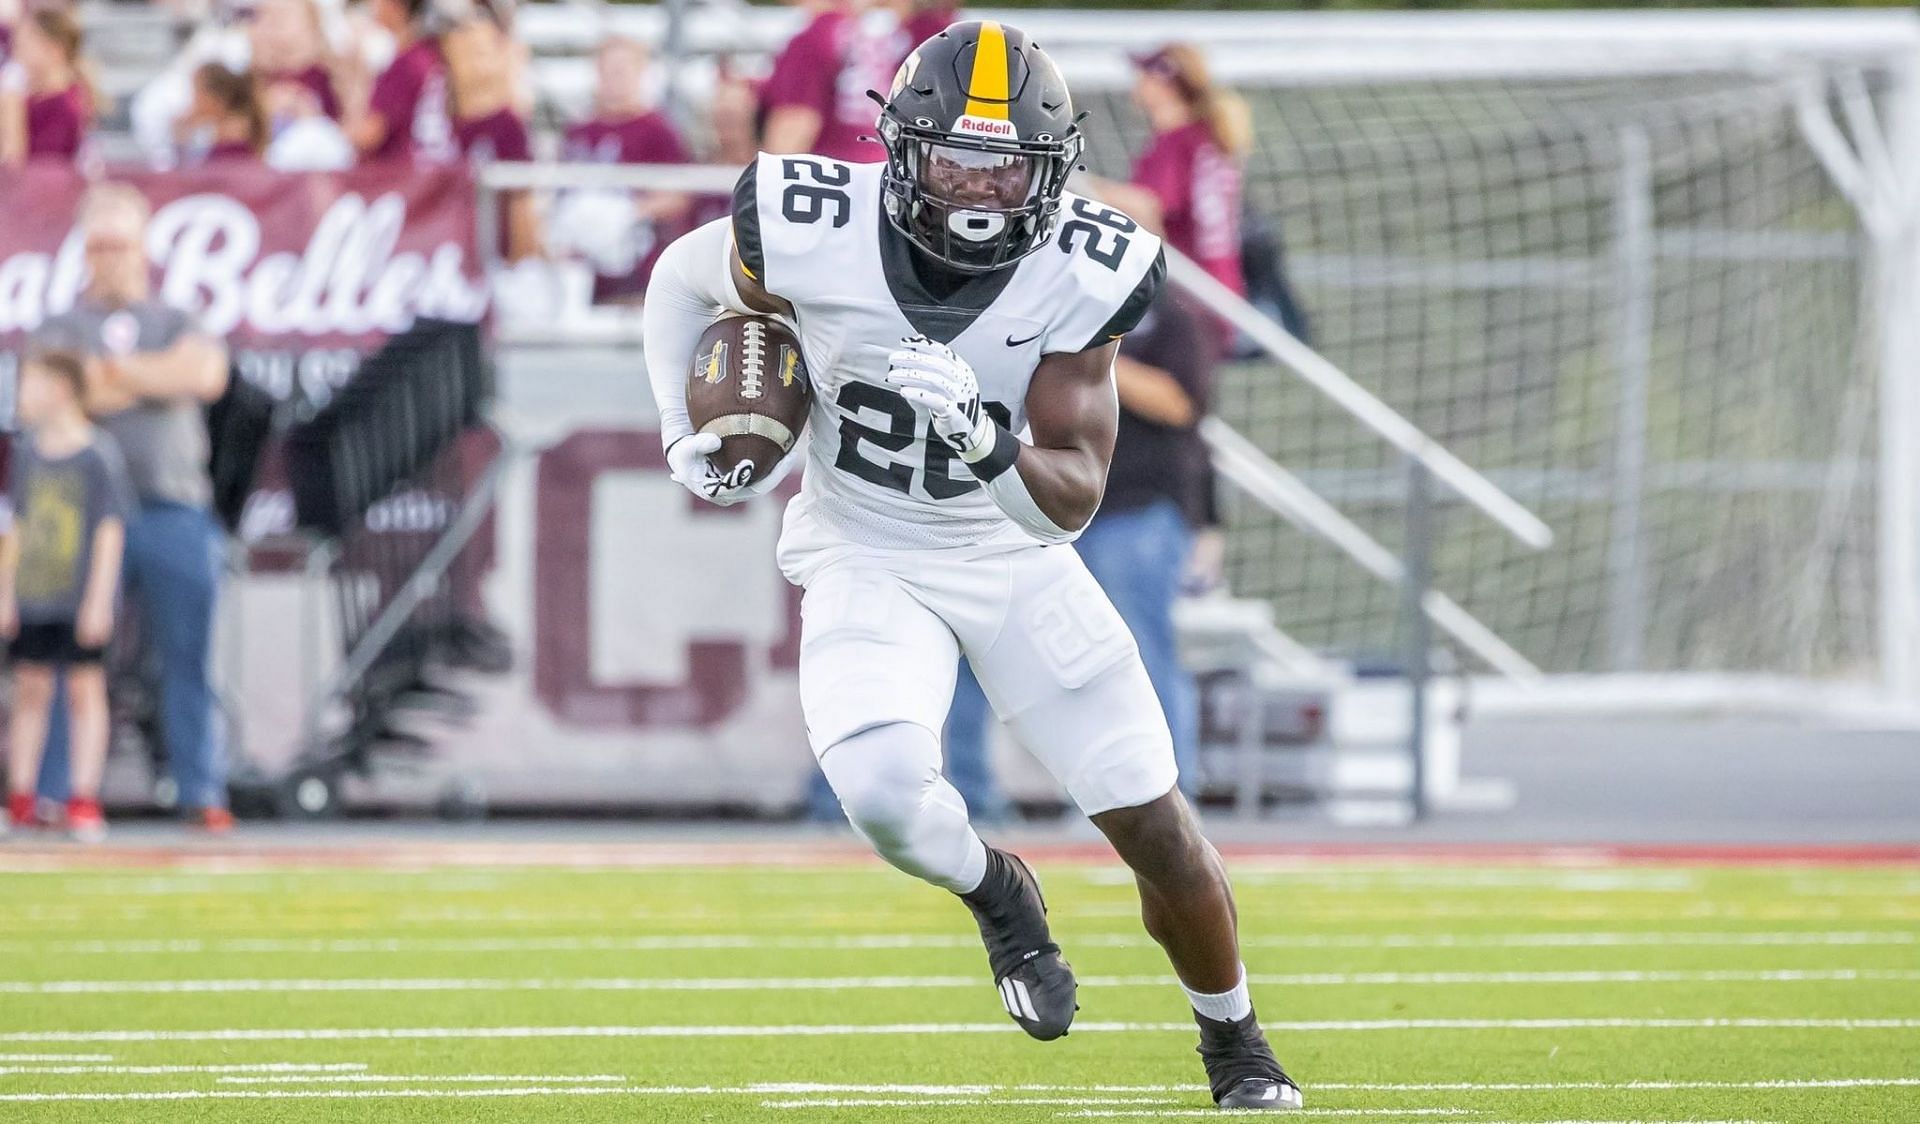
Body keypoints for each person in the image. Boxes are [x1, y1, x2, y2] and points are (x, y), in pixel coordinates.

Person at [642, 21, 1302, 1111]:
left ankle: (1235, 1039)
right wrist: (683, 434)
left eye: (1005, 168)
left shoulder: (1086, 266)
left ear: (1052, 171)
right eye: (956, 160)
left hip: (1009, 552)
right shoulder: (813, 223)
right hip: (864, 545)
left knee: (1152, 817)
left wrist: (990, 446)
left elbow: (1076, 491)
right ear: (901, 149)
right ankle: (1001, 895)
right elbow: (678, 277)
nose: (979, 192)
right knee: (883, 792)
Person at [35, 184, 233, 833]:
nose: (109, 258)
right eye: (97, 245)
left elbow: (202, 374)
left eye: (120, 244)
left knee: (188, 656)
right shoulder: (62, 325)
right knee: (71, 660)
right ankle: (57, 791)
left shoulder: (178, 316)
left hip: (173, 507)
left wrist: (113, 377)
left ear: (144, 248)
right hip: (86, 526)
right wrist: (152, 378)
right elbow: (58, 396)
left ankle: (200, 789)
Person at [0, 351, 132, 842]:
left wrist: (99, 599)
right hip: (35, 595)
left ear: (60, 389)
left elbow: (108, 529)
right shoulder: (29, 453)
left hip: (78, 598)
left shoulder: (97, 453)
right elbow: (17, 524)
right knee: (29, 691)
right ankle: (21, 798)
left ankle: (82, 798)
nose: (22, 397)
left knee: (84, 691)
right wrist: (6, 592)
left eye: (31, 385)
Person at [1096, 45, 1250, 305]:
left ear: (1164, 83)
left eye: (1145, 75)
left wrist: (1071, 189)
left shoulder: (1177, 140)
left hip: (1192, 293)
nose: (1137, 83)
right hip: (1220, 285)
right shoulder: (1206, 135)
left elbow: (1147, 205)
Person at [555, 36, 692, 301]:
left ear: (640, 73)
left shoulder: (657, 131)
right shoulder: (578, 130)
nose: (613, 78)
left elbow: (679, 197)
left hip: (637, 268)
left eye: (621, 70)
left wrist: (628, 213)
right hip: (581, 271)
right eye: (606, 70)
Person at [759, 0, 953, 163]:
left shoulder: (818, 36)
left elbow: (794, 127)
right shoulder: (940, 37)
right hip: (910, 183)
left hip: (834, 183)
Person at [443, 15, 537, 260]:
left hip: (497, 251)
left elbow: (521, 200)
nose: (471, 65)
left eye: (479, 54)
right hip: (455, 250)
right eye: (462, 55)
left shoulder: (507, 124)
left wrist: (519, 258)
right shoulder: (446, 120)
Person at [347, 0, 452, 163]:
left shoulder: (408, 64)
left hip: (402, 174)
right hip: (420, 171)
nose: (372, 5)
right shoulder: (424, 55)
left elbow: (370, 134)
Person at [0, 8, 94, 166]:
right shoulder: (33, 98)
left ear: (55, 50)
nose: (17, 54)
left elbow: (27, 173)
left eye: (25, 46)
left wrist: (12, 110)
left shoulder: (65, 106)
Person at [179, 63, 269, 163]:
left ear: (214, 98)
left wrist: (181, 139)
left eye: (196, 92)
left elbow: (207, 174)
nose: (193, 101)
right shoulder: (223, 129)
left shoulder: (232, 134)